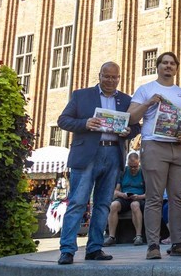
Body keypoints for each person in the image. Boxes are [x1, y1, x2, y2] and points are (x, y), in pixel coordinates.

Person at [56, 62, 134, 265]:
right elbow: (63, 120)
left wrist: (128, 132)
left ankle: (94, 248)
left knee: (103, 204)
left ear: (119, 78)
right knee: (77, 202)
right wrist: (85, 123)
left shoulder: (126, 100)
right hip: (87, 154)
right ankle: (67, 250)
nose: (110, 80)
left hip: (113, 153)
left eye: (114, 77)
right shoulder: (81, 95)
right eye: (106, 76)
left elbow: (135, 126)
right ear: (99, 76)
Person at [128, 52, 181, 259]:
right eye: (164, 63)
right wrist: (148, 103)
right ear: (157, 66)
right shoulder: (146, 89)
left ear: (176, 68)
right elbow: (131, 118)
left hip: (178, 147)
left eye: (172, 63)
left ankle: (177, 243)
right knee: (154, 197)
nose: (168, 66)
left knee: (177, 198)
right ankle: (153, 245)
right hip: (154, 144)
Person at [104, 153, 146, 247]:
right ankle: (111, 236)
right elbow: (115, 191)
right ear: (127, 163)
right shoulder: (123, 172)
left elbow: (149, 193)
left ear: (139, 163)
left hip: (138, 198)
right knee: (113, 205)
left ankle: (138, 236)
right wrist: (122, 195)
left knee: (134, 205)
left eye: (135, 166)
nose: (133, 169)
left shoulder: (143, 173)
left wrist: (139, 197)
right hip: (124, 197)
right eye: (131, 166)